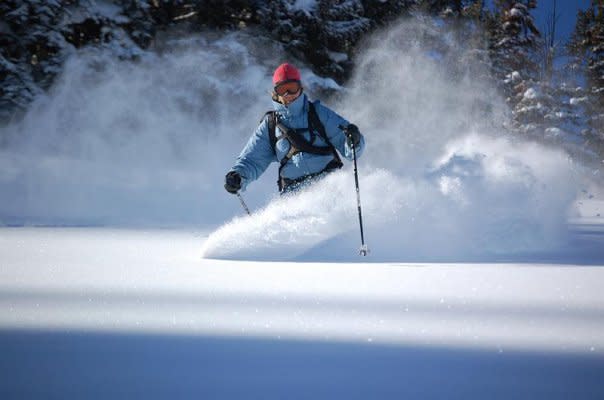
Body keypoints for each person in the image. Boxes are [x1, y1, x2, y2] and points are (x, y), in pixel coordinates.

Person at [224, 62, 365, 195]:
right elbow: (252, 160)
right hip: (294, 194)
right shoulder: (270, 125)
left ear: (300, 88)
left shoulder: (317, 113)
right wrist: (238, 177)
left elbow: (351, 150)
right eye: (282, 90)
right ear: (275, 93)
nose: (288, 95)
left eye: (292, 88)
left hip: (329, 185)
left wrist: (354, 140)